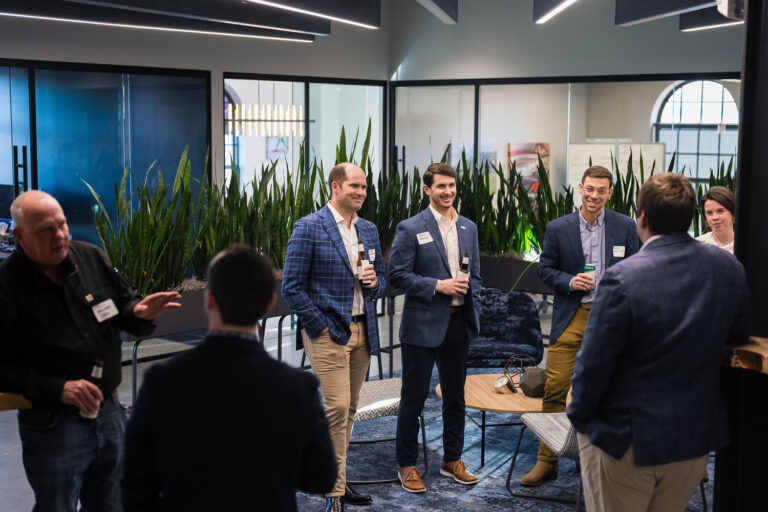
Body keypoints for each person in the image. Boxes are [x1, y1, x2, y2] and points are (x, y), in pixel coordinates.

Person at [567, 173, 751, 512]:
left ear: (643, 219)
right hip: (692, 438)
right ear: (692, 216)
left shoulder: (622, 278)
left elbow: (592, 365)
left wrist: (579, 419)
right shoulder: (729, 268)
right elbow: (739, 335)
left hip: (624, 440)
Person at [0, 190, 181, 511]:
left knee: (112, 505)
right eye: (46, 229)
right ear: (19, 235)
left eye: (62, 224)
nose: (60, 235)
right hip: (53, 424)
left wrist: (139, 312)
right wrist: (60, 389)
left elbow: (122, 306)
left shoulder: (91, 257)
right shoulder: (7, 286)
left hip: (110, 412)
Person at [122, 245, 336, 511]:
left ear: (208, 299)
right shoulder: (298, 388)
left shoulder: (162, 381)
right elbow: (321, 477)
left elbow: (135, 486)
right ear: (270, 302)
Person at [522, 165, 639, 487]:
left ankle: (610, 462)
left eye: (601, 190)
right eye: (590, 189)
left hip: (611, 319)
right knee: (556, 387)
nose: (594, 196)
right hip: (573, 316)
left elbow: (638, 267)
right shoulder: (558, 228)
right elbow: (545, 270)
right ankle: (547, 460)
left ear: (610, 193)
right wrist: (570, 280)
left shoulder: (625, 226)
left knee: (614, 389)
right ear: (580, 188)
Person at [282, 162, 387, 512]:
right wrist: (320, 326)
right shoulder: (309, 227)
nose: (361, 192)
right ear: (335, 187)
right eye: (354, 186)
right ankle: (334, 491)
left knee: (351, 409)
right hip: (328, 332)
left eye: (364, 188)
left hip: (363, 329)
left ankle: (337, 480)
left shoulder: (369, 230)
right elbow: (292, 287)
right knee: (336, 408)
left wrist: (375, 284)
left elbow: (382, 281)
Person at [388, 162, 482, 494]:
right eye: (440, 186)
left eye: (451, 186)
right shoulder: (411, 227)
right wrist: (437, 285)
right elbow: (396, 276)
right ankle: (407, 465)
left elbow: (477, 277)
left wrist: (473, 300)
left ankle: (452, 460)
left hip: (458, 325)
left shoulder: (468, 227)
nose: (447, 191)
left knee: (455, 398)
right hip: (422, 326)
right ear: (427, 190)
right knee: (413, 399)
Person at [696, 186, 736, 254]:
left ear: (733, 214)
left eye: (720, 211)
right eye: (709, 213)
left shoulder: (745, 246)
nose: (715, 217)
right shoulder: (698, 245)